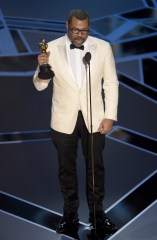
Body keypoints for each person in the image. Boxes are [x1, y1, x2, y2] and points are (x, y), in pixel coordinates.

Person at [33, 9, 119, 234]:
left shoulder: (102, 47)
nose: (80, 35)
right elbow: (40, 85)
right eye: (75, 30)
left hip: (95, 119)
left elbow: (110, 83)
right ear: (67, 26)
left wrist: (110, 115)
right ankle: (70, 216)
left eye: (84, 30)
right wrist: (43, 69)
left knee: (95, 169)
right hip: (63, 119)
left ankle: (97, 215)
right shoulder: (50, 48)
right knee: (66, 169)